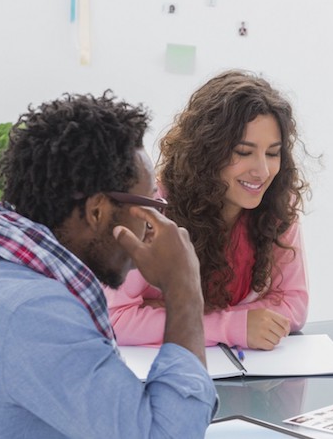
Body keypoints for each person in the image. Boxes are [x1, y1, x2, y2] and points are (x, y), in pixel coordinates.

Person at [0, 93, 216, 437]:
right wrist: (184, 292)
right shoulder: (37, 314)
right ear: (97, 211)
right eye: (149, 202)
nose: (155, 218)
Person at [105, 70, 310, 351]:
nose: (262, 170)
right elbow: (116, 319)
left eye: (273, 153)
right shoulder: (154, 210)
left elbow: (294, 305)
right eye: (243, 151)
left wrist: (170, 312)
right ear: (207, 152)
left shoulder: (277, 207)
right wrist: (234, 326)